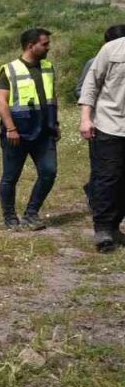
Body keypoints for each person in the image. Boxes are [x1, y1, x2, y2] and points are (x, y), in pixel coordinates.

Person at [0, 28, 60, 230]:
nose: (48, 47)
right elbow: (1, 101)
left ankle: (31, 213)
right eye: (45, 44)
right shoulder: (9, 69)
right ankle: (9, 217)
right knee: (10, 177)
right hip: (18, 132)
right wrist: (11, 128)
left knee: (49, 172)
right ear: (31, 46)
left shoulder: (48, 67)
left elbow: (52, 96)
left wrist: (55, 123)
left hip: (44, 131)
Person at [77, 25, 125, 252]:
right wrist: (86, 118)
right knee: (108, 177)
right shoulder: (112, 50)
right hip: (110, 124)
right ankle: (103, 229)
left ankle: (114, 225)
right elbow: (91, 84)